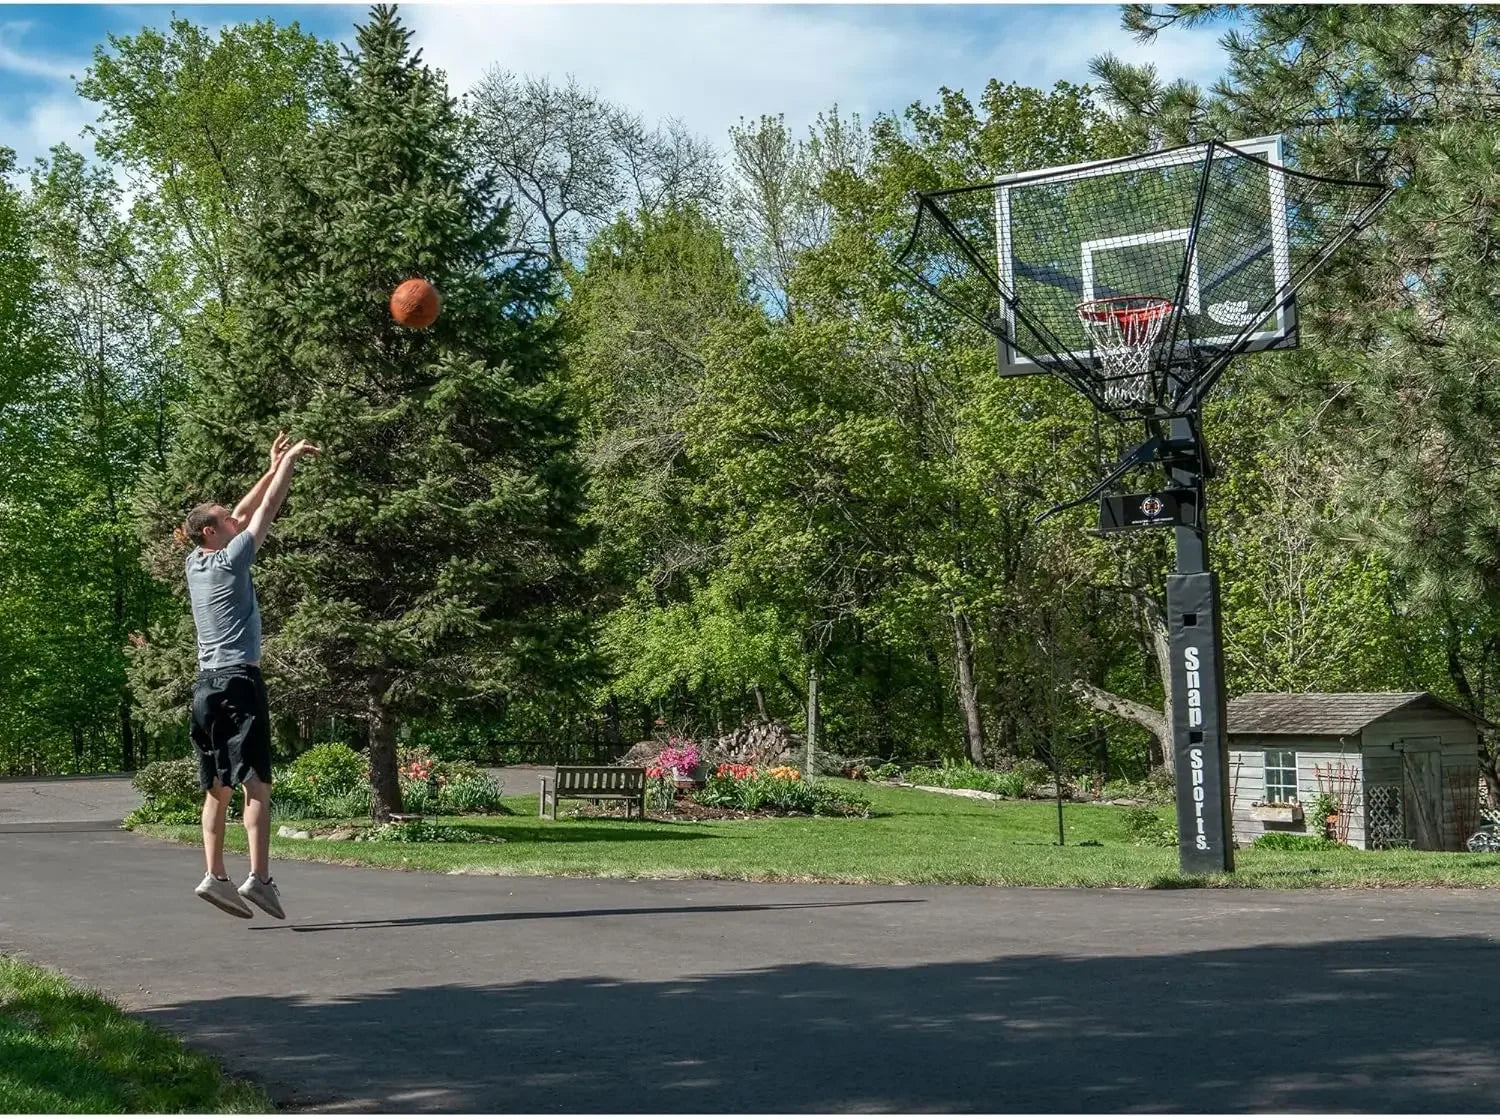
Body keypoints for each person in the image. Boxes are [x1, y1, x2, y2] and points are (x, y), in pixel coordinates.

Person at [173, 431, 320, 919]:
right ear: (213, 532)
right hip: (239, 682)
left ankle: (215, 877)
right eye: (224, 519)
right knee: (257, 782)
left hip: (205, 686)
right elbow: (267, 507)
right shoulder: (234, 559)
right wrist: (289, 465)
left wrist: (270, 463)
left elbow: (241, 508)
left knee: (217, 785)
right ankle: (259, 879)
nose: (233, 519)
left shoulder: (196, 561)